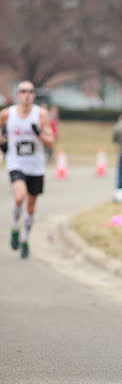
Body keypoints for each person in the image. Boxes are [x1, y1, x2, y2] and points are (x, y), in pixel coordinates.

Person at [0, 80, 54, 258]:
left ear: (34, 95)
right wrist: (2, 141)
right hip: (16, 163)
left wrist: (39, 133)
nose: (27, 94)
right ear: (17, 95)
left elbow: (51, 142)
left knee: (30, 207)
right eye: (23, 91)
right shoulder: (7, 114)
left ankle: (25, 240)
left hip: (36, 166)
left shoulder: (41, 115)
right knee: (19, 196)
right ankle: (15, 226)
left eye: (30, 91)